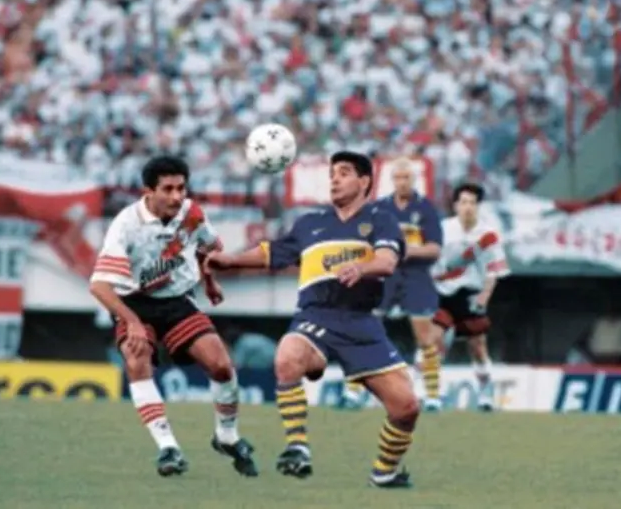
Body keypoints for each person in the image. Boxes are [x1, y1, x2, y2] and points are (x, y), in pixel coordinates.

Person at [208, 151, 420, 489]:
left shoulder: (381, 220)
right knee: (287, 355)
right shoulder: (310, 223)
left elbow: (386, 261)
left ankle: (385, 471)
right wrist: (230, 260)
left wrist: (361, 267)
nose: (334, 178)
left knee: (407, 407)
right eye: (332, 173)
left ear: (365, 181)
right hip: (316, 316)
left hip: (362, 323)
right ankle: (297, 448)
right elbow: (271, 252)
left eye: (344, 172)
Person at [89, 155, 258, 478]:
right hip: (134, 303)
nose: (176, 196)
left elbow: (208, 247)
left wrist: (209, 280)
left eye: (181, 188)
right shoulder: (126, 225)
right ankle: (168, 447)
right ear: (148, 191)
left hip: (177, 300)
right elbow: (98, 286)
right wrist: (133, 323)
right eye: (167, 189)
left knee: (221, 365)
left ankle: (227, 436)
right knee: (137, 359)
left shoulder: (191, 213)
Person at [340, 158, 444, 411]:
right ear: (392, 180)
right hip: (385, 275)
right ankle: (354, 392)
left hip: (415, 276)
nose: (402, 182)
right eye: (398, 177)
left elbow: (435, 248)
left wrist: (408, 251)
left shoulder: (426, 209)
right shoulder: (380, 208)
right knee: (366, 330)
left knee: (426, 337)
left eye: (407, 177)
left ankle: (432, 396)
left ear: (414, 179)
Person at [429, 183, 510, 411]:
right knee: (434, 341)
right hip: (444, 293)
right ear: (455, 205)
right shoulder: (443, 229)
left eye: (472, 203)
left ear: (478, 206)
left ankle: (485, 393)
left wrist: (484, 295)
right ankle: (433, 396)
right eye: (463, 202)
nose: (467, 207)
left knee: (477, 347)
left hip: (471, 294)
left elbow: (494, 269)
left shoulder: (488, 235)